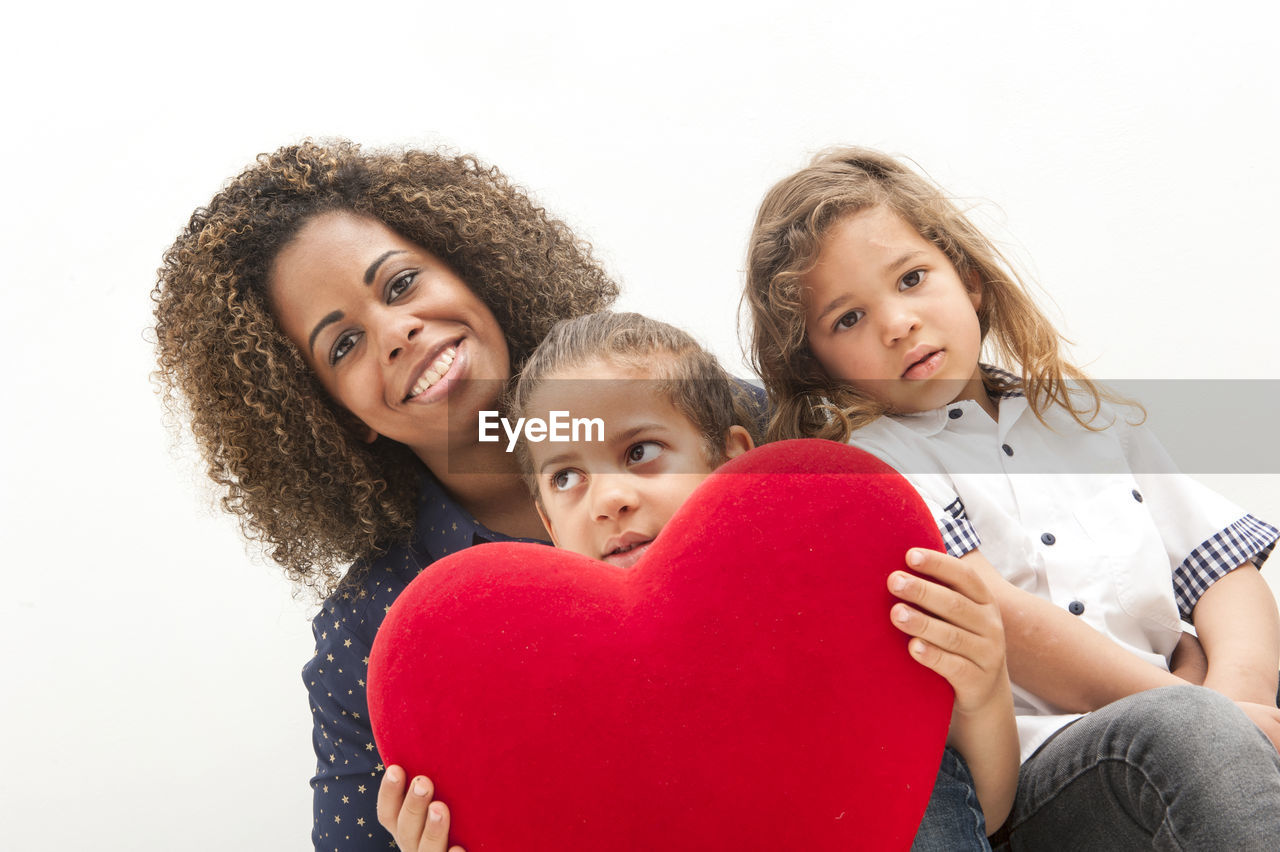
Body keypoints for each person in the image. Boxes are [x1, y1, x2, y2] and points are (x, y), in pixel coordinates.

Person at [743, 146, 1280, 848]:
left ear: (967, 278)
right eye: (848, 319)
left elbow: (1223, 570)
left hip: (1192, 714)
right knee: (1194, 740)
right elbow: (1004, 619)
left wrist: (1242, 698)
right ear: (814, 365)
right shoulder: (875, 465)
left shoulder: (1086, 418)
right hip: (1042, 773)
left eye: (912, 278)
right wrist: (1198, 712)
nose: (897, 323)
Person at [379, 311, 1018, 850]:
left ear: (736, 460)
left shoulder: (834, 623)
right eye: (567, 478)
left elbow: (976, 813)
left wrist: (983, 691)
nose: (609, 500)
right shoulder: (553, 710)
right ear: (547, 521)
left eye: (639, 452)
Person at [152, 139, 618, 852]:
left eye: (400, 286)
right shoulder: (370, 640)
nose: (396, 332)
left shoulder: (699, 422)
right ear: (334, 417)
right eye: (342, 346)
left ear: (473, 268)